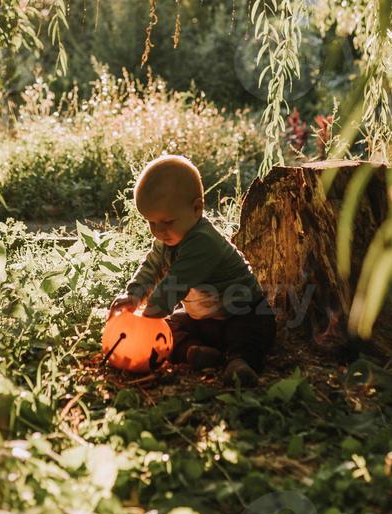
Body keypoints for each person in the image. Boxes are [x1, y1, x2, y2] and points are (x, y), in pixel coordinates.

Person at [109, 154, 276, 386]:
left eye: (166, 222)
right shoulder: (167, 240)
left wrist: (144, 318)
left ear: (197, 208)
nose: (158, 231)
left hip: (242, 311)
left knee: (249, 333)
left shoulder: (203, 242)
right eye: (151, 222)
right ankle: (195, 352)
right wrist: (134, 294)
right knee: (170, 325)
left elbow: (175, 283)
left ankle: (239, 362)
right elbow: (151, 266)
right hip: (204, 320)